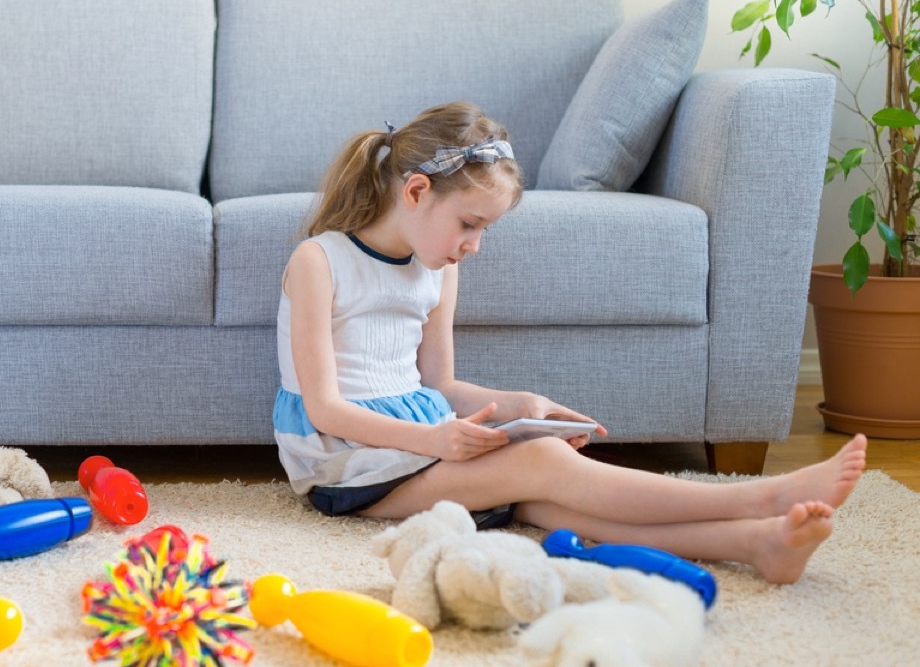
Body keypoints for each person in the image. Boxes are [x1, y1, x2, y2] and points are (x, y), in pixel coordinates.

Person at [273, 101, 866, 585]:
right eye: (469, 224)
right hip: (344, 462)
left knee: (552, 502)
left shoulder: (439, 268)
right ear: (417, 191)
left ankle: (758, 544)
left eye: (484, 230)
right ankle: (762, 498)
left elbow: (440, 385)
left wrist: (521, 406)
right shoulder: (319, 260)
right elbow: (325, 408)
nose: (474, 244)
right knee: (543, 463)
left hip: (415, 445)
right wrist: (436, 439)